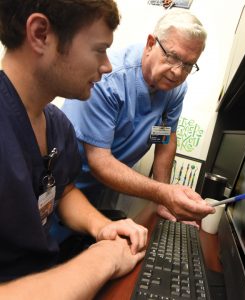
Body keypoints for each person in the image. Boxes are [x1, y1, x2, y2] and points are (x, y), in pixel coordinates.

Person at [0, 0, 148, 299]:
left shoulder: (58, 125)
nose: (107, 65)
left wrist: (103, 227)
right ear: (40, 34)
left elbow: (63, 190)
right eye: (99, 49)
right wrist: (102, 259)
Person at [61, 9, 215, 222]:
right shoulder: (108, 80)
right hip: (66, 183)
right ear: (151, 43)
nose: (178, 72)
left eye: (188, 64)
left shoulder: (175, 89)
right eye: (172, 57)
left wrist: (163, 202)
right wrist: (163, 193)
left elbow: (165, 138)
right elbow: (100, 162)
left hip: (107, 187)